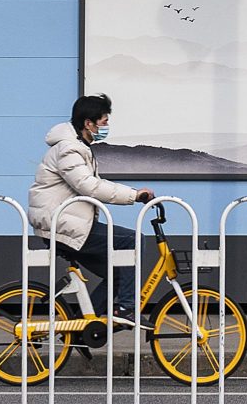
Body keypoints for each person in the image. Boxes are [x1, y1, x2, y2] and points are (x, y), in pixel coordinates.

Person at [27, 93, 155, 326]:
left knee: (118, 272)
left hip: (68, 222)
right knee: (134, 241)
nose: (106, 127)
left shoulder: (77, 147)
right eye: (104, 122)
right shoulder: (69, 149)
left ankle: (85, 326)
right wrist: (134, 195)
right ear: (89, 123)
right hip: (63, 223)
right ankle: (126, 307)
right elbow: (89, 186)